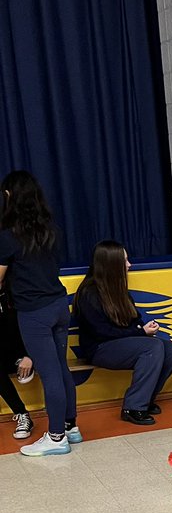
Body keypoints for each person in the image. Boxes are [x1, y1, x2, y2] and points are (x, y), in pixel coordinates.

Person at [0, 170, 81, 455]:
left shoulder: (8, 237)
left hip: (34, 312)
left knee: (50, 374)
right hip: (59, 305)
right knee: (60, 368)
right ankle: (71, 428)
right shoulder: (49, 228)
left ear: (12, 197)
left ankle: (56, 437)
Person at [73, 240, 172, 425]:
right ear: (111, 265)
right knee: (152, 347)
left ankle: (146, 400)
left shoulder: (119, 289)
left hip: (124, 342)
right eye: (124, 261)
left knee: (171, 349)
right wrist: (140, 332)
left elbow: (135, 320)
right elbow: (102, 332)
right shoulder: (88, 293)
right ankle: (133, 407)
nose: (129, 265)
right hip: (99, 348)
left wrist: (144, 329)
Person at [0, 294, 34, 440]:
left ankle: (66, 422)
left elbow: (35, 327)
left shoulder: (17, 291)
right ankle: (21, 413)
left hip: (25, 353)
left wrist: (29, 356)